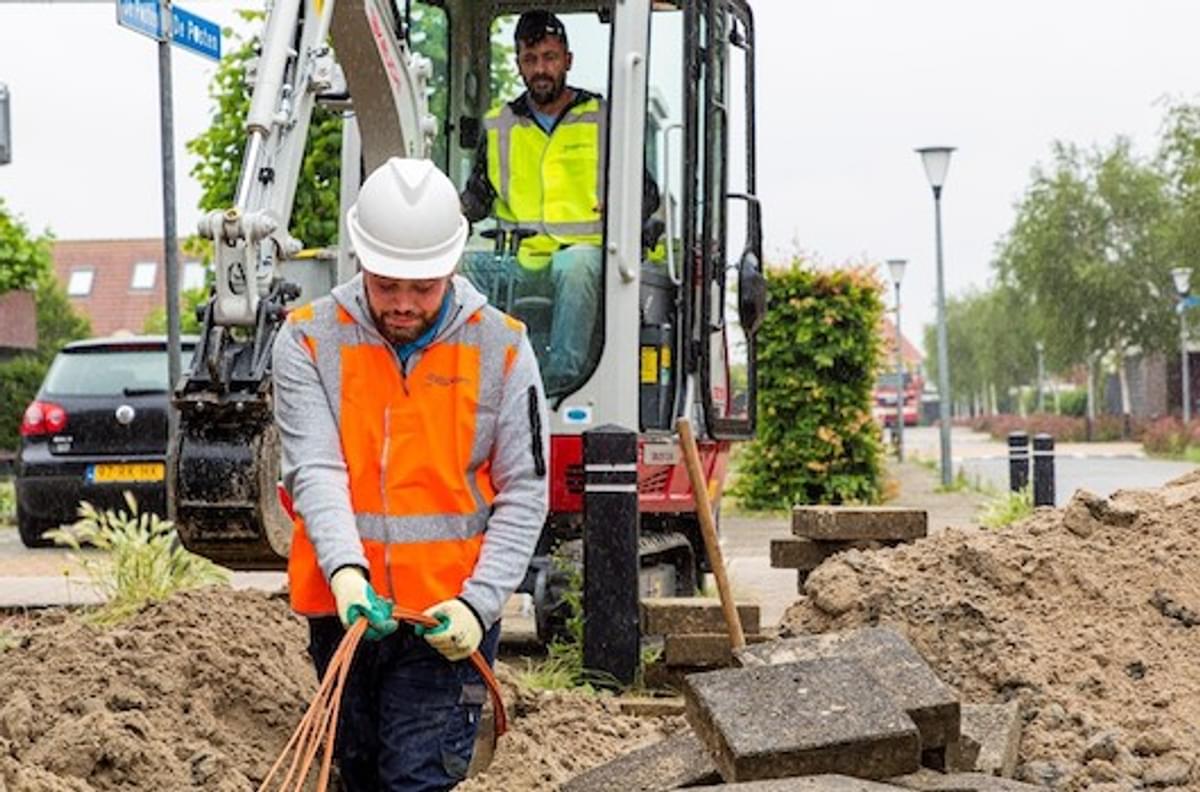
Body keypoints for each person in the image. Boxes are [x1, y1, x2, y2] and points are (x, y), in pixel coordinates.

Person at [273, 157, 549, 791]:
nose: (402, 304)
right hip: (345, 612)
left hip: (447, 620)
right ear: (360, 260)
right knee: (362, 773)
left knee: (416, 780)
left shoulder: (501, 348)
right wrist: (346, 573)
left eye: (421, 288)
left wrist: (480, 606)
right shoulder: (309, 340)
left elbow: (524, 490)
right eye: (386, 284)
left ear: (451, 266)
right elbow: (315, 468)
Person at [460, 9, 659, 390]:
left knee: (575, 265)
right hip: (517, 260)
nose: (541, 69)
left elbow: (645, 194)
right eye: (531, 60)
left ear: (567, 60)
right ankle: (475, 379)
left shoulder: (603, 118)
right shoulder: (499, 124)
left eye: (549, 58)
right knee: (462, 269)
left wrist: (619, 206)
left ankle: (559, 381)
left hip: (584, 253)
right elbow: (478, 196)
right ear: (518, 64)